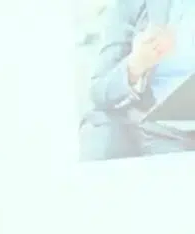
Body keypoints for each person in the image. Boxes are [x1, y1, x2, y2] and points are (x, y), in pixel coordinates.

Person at [80, 0, 195, 159]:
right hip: (152, 130)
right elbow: (100, 89)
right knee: (100, 130)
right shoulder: (132, 5)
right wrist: (135, 65)